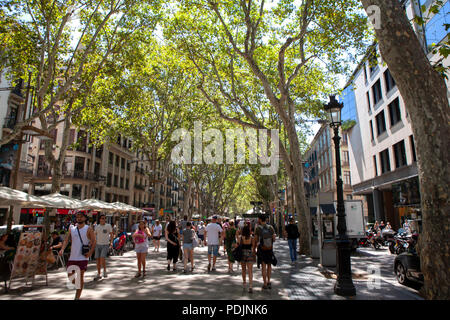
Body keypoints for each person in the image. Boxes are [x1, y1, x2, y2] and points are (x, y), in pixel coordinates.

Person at [59, 212, 96, 300]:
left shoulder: (88, 229)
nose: (79, 218)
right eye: (77, 217)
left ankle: (77, 297)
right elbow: (66, 240)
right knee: (70, 277)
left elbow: (94, 241)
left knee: (80, 276)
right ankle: (79, 287)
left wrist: (90, 253)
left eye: (81, 217)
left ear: (85, 218)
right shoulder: (72, 228)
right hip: (72, 257)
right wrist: (62, 249)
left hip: (83, 257)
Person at [255, 215, 276, 290]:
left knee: (263, 266)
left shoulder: (258, 228)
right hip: (269, 249)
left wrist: (255, 248)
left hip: (262, 249)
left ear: (260, 220)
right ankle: (269, 281)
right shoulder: (271, 227)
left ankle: (264, 283)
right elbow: (274, 239)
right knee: (269, 265)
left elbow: (256, 239)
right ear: (266, 219)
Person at [93, 214, 114, 281]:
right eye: (102, 218)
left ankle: (104, 271)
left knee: (102, 258)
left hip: (105, 244)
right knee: (98, 260)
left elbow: (111, 234)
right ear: (100, 219)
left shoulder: (108, 226)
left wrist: (111, 242)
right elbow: (94, 234)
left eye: (105, 218)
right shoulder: (97, 227)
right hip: (98, 244)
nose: (103, 219)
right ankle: (99, 273)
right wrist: (94, 242)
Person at [238, 222, 256, 293]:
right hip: (250, 254)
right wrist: (254, 255)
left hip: (242, 254)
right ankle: (250, 286)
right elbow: (253, 247)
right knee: (250, 271)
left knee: (243, 270)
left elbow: (238, 245)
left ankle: (244, 283)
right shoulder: (252, 238)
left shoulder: (240, 238)